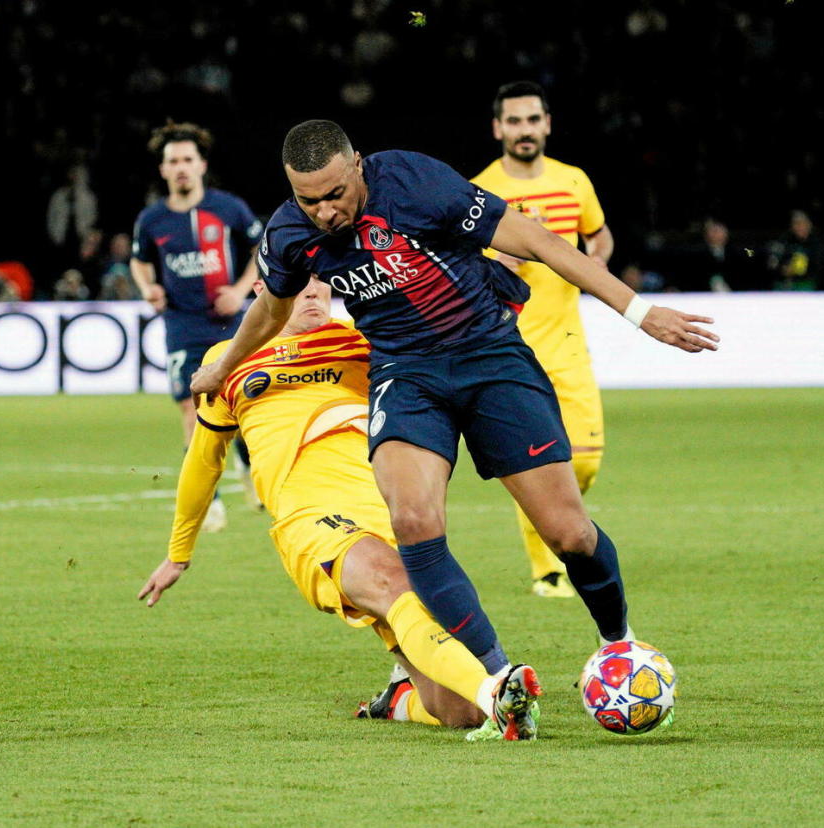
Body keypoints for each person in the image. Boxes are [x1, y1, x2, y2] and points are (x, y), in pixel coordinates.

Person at [190, 120, 718, 736]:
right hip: (405, 373)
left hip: (489, 356)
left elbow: (540, 241)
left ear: (357, 165)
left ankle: (619, 643)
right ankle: (500, 686)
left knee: (569, 533)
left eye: (335, 193)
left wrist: (640, 311)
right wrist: (225, 365)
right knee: (413, 520)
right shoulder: (289, 234)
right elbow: (271, 309)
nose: (325, 211)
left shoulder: (414, 182)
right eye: (310, 199)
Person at [138, 276, 540, 740]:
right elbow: (204, 462)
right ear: (260, 289)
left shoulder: (364, 342)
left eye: (321, 283)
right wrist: (178, 552)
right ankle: (495, 694)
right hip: (310, 518)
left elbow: (454, 347)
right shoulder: (226, 361)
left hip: (391, 514)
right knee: (394, 581)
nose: (313, 293)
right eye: (298, 284)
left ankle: (403, 701)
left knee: (454, 710)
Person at [470, 80, 613, 598]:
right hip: (511, 349)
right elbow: (463, 269)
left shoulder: (574, 181)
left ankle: (557, 526)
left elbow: (598, 233)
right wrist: (501, 260)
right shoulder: (479, 191)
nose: (524, 129)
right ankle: (548, 570)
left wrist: (595, 263)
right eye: (514, 121)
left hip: (569, 343)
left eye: (533, 119)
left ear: (547, 124)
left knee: (585, 461)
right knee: (534, 459)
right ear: (498, 128)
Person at [130, 120, 265, 526]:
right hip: (182, 325)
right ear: (164, 170)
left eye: (188, 159)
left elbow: (260, 245)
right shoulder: (152, 219)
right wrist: (148, 287)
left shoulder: (228, 208)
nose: (181, 167)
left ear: (202, 164)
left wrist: (241, 290)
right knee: (192, 409)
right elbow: (139, 260)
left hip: (230, 323)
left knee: (242, 402)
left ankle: (249, 470)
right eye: (174, 161)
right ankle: (210, 499)